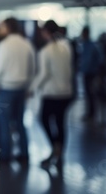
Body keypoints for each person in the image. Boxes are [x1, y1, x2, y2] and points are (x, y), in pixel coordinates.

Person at [28, 20, 74, 169]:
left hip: (51, 93)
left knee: (44, 119)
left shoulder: (45, 51)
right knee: (60, 122)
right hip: (66, 92)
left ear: (45, 32)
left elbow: (44, 74)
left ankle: (55, 147)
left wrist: (32, 88)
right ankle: (60, 152)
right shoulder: (66, 47)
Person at [0, 17, 35, 163]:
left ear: (8, 27)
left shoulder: (4, 45)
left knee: (4, 124)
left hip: (6, 88)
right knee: (20, 122)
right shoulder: (26, 44)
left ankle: (5, 155)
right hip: (22, 88)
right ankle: (24, 153)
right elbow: (32, 67)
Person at [76, 26, 103, 121]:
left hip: (92, 73)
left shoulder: (93, 45)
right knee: (88, 93)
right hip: (85, 72)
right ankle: (90, 112)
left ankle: (92, 112)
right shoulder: (83, 45)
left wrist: (98, 73)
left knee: (91, 93)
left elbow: (100, 59)